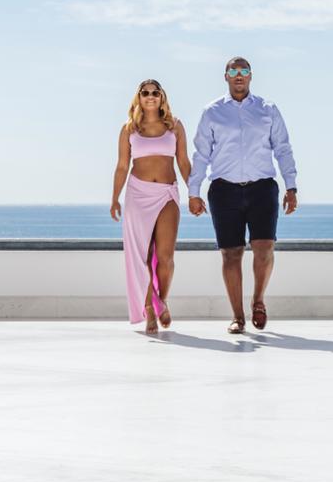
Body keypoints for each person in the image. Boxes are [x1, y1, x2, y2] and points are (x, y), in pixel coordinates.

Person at [188, 57, 298, 334]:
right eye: (233, 71)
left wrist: (291, 186)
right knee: (231, 254)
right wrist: (193, 191)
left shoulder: (267, 110)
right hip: (224, 190)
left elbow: (282, 148)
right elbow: (201, 154)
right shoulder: (212, 112)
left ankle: (258, 300)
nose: (239, 75)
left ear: (251, 76)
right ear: (225, 76)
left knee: (264, 248)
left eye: (244, 70)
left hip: (262, 187)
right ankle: (238, 316)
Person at [110, 79, 192, 334]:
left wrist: (196, 193)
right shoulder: (129, 129)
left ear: (162, 97)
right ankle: (149, 309)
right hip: (137, 194)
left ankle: (161, 300)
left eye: (155, 93)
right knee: (142, 257)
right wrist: (115, 198)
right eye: (145, 93)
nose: (150, 96)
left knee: (165, 258)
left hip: (167, 192)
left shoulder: (174, 126)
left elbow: (183, 161)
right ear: (138, 98)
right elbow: (123, 166)